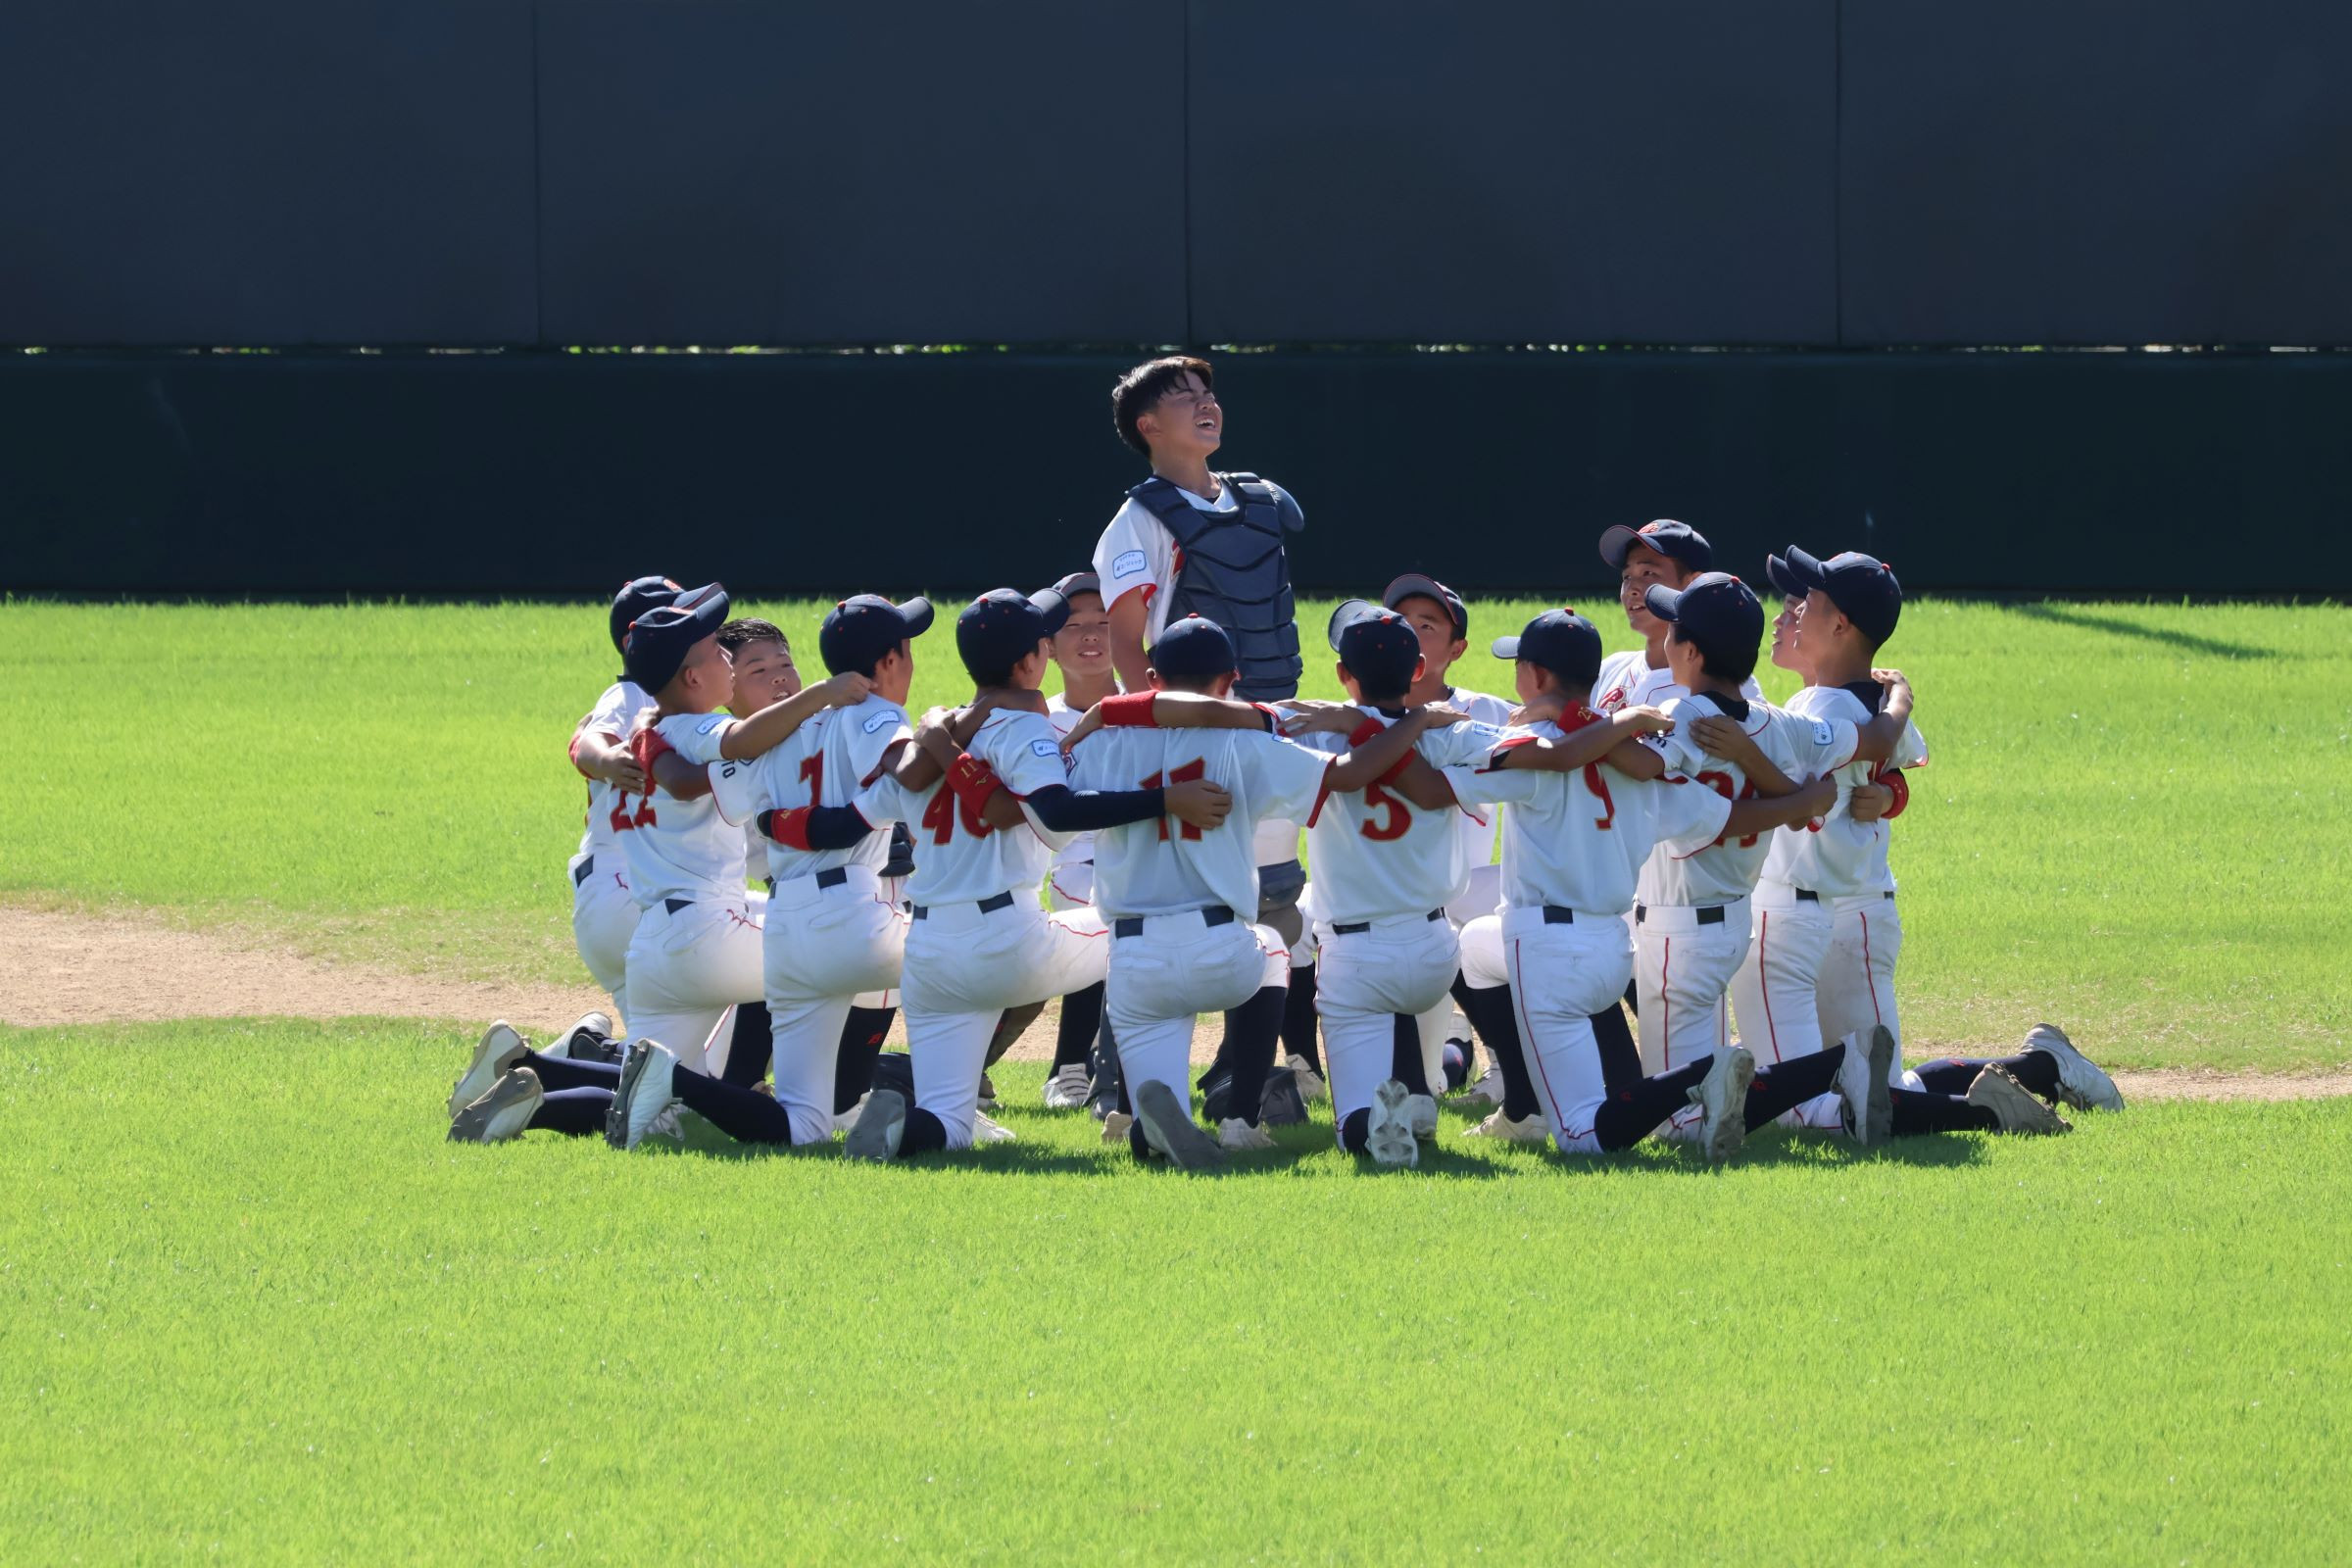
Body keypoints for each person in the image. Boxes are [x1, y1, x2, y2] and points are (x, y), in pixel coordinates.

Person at [1415, 609, 1875, 1162]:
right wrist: (1799, 804)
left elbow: (1434, 785)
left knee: (1583, 1137)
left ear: (1534, 678)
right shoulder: (1637, 760)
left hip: (1547, 951)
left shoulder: (1529, 746)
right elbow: (1722, 817)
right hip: (1614, 953)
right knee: (1474, 947)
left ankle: (1715, 1073)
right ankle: (1523, 1107)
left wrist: (1417, 724)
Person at [1058, 615, 1449, 1168]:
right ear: (1230, 682)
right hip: (1220, 949)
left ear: (1150, 677)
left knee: (1158, 1092)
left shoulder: (1105, 741)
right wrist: (1418, 721)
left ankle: (1147, 1126)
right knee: (1271, 945)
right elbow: (1348, 774)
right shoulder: (1246, 741)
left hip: (1133, 961)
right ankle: (1243, 1118)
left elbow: (1053, 805)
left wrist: (1103, 715)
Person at [1093, 358, 1314, 1120]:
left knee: (1275, 893)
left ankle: (1236, 1073)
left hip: (1263, 722)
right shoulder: (1139, 522)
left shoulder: (1258, 500)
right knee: (1184, 908)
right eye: (1182, 398)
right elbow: (1128, 642)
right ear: (1147, 427)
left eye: (1208, 394)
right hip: (1191, 736)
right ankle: (1117, 1085)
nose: (1205, 405)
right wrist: (1152, 731)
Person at [564, 574, 681, 1031]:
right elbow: (588, 741)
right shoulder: (631, 694)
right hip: (624, 884)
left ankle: (564, 1060)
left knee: (661, 1059)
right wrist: (607, 758)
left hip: (616, 889)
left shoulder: (676, 701)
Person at [1037, 570, 1121, 1112]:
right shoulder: (1036, 718)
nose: (1091, 637)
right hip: (1070, 863)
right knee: (1104, 911)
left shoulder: (1150, 706)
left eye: (1104, 623)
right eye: (1074, 626)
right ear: (1047, 645)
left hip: (1139, 853)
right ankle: (1069, 1064)